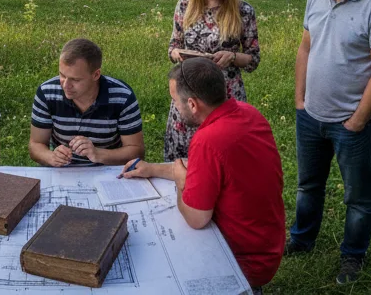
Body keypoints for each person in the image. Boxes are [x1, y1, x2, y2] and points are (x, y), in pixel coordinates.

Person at [286, 0, 371, 285]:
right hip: (311, 115)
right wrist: (300, 101)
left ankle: (352, 256)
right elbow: (305, 47)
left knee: (357, 196)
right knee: (308, 185)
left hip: (351, 122)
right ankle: (302, 239)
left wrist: (358, 121)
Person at [120, 57, 284, 294]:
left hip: (241, 261)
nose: (174, 106)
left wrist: (179, 181)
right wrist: (153, 169)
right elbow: (205, 170)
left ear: (193, 104)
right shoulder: (248, 113)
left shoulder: (208, 140)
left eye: (175, 101)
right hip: (267, 244)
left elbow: (197, 219)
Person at [165, 0, 260, 160]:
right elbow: (172, 47)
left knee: (221, 157)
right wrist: (178, 53)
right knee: (182, 161)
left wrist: (233, 57)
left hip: (223, 95)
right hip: (187, 94)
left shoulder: (243, 11)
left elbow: (253, 58)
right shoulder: (185, 5)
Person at [29, 38, 143, 167]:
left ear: (96, 75)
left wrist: (98, 154)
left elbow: (137, 152)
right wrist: (50, 157)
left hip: (107, 172)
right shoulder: (47, 92)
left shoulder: (122, 96)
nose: (66, 85)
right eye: (62, 75)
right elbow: (35, 145)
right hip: (62, 173)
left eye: (75, 80)